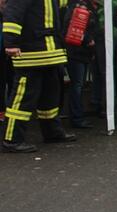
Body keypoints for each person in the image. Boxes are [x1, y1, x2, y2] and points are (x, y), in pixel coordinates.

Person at [1, 0, 77, 153]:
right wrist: (11, 43)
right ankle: (12, 139)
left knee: (50, 97)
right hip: (31, 53)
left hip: (51, 54)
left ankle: (52, 132)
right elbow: (12, 15)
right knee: (22, 99)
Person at [63, 0, 99, 129]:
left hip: (83, 53)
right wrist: (87, 40)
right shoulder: (76, 6)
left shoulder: (87, 6)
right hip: (76, 52)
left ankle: (77, 115)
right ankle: (77, 118)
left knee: (78, 85)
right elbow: (71, 28)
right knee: (77, 86)